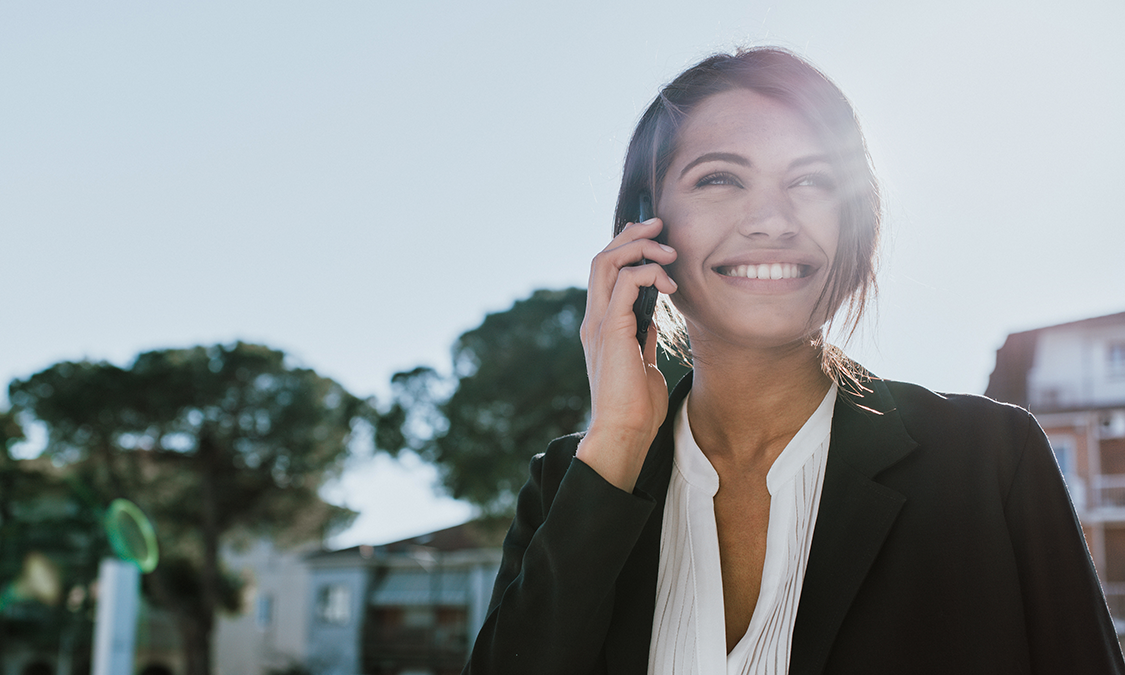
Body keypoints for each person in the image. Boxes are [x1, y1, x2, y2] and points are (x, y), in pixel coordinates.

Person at [462, 47, 1125, 675]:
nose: (772, 219)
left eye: (811, 179)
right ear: (644, 226)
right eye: (719, 177)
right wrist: (617, 442)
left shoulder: (990, 461)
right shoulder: (567, 485)